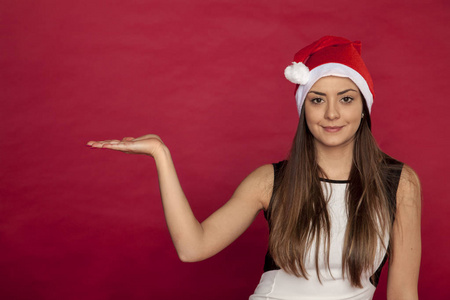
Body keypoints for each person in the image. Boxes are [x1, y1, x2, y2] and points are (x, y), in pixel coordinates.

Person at [87, 36, 421, 300]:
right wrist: (161, 155)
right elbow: (193, 247)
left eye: (346, 98)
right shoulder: (271, 181)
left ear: (364, 107)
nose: (332, 114)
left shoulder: (399, 183)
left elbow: (404, 292)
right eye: (317, 99)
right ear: (303, 109)